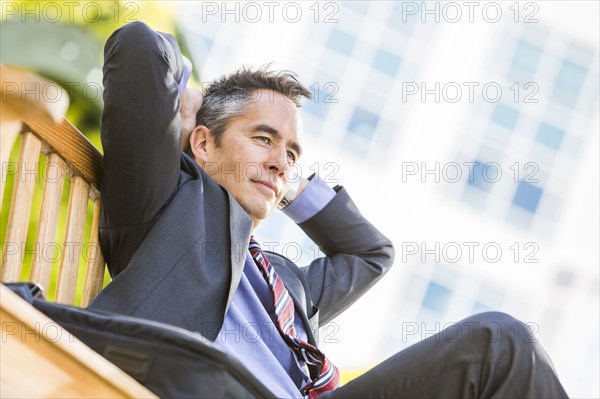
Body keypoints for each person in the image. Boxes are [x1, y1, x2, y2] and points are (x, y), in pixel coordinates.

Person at [90, 22, 568, 398]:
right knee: (497, 343)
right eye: (262, 138)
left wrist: (281, 177)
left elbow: (369, 253)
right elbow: (138, 48)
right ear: (203, 143)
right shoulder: (165, 205)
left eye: (293, 153)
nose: (281, 161)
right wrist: (192, 104)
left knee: (506, 351)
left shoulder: (288, 285)